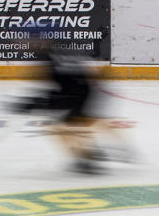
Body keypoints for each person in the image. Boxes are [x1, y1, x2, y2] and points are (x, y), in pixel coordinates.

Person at [8, 33, 132, 174]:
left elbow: (58, 86)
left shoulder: (45, 56)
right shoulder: (64, 47)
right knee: (73, 123)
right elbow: (86, 72)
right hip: (86, 91)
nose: (24, 43)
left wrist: (30, 104)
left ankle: (86, 157)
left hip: (74, 93)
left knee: (59, 127)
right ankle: (90, 153)